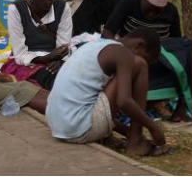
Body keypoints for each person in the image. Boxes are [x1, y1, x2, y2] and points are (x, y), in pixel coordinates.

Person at [46, 28, 170, 157]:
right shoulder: (123, 53)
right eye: (148, 58)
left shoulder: (95, 45)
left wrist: (125, 131)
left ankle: (121, 135)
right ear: (139, 45)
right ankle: (136, 141)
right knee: (140, 64)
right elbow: (124, 101)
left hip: (58, 126)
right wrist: (153, 127)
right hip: (77, 129)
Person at [1, 0, 72, 90]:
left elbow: (64, 45)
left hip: (55, 60)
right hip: (29, 61)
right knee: (50, 79)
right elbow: (20, 54)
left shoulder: (62, 7)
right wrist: (46, 59)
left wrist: (60, 60)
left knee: (74, 74)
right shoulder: (16, 9)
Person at [101, 0, 182, 40]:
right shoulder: (130, 2)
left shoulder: (171, 12)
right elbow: (107, 32)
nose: (151, 14)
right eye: (149, 9)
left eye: (157, 11)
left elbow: (177, 43)